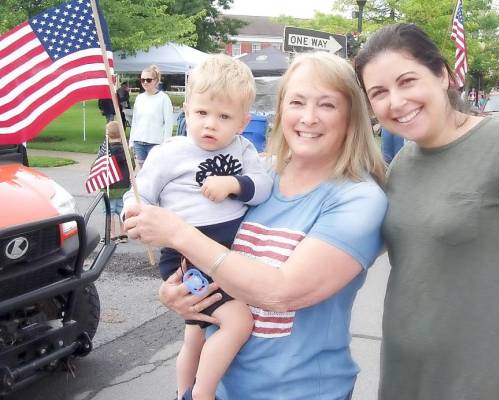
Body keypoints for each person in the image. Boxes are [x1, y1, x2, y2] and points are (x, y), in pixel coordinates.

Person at [124, 51, 388, 400]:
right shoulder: (260, 173)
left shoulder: (358, 198)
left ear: (351, 116)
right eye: (297, 102)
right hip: (222, 387)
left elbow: (282, 292)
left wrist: (178, 234)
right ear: (281, 110)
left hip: (298, 392)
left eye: (327, 105)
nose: (308, 118)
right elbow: (213, 253)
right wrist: (176, 295)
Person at [355, 23, 499, 400]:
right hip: (403, 374)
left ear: (441, 75)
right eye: (379, 93)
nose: (396, 101)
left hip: (480, 377)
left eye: (407, 81)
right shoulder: (403, 162)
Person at [123, 54, 273, 400]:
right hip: (185, 258)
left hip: (224, 257)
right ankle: (202, 394)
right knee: (238, 322)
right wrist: (133, 213)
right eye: (202, 113)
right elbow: (141, 191)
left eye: (224, 117)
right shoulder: (170, 153)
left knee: (194, 333)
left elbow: (262, 186)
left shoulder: (244, 149)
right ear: (186, 109)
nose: (210, 124)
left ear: (242, 121)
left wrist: (234, 184)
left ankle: (181, 392)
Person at [128, 65, 174, 168]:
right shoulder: (139, 98)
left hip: (156, 144)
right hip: (139, 142)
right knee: (143, 173)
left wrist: (166, 143)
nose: (145, 82)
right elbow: (135, 121)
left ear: (156, 81)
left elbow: (168, 123)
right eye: (142, 80)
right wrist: (131, 141)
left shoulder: (164, 99)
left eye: (148, 80)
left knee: (154, 173)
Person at [100, 120, 131, 243]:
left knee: (109, 211)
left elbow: (98, 166)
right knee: (121, 210)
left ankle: (112, 234)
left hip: (110, 186)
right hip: (123, 186)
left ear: (107, 134)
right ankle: (123, 234)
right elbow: (131, 164)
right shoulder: (126, 150)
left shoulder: (105, 151)